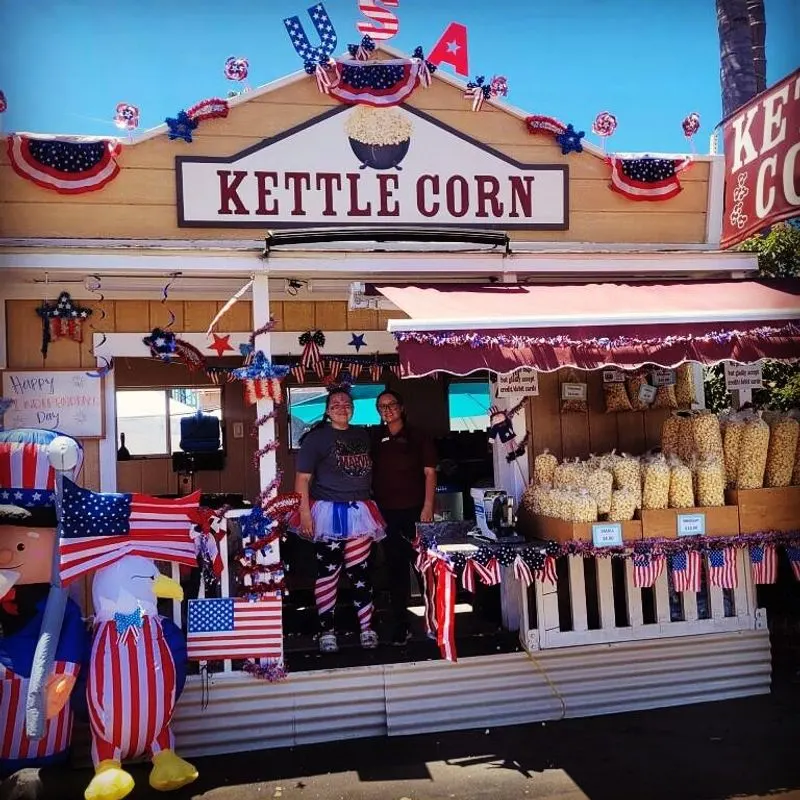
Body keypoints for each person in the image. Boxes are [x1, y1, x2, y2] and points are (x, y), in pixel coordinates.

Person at [293, 386, 386, 654]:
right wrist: (304, 513)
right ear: (327, 410)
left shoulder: (364, 435)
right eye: (336, 403)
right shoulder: (316, 439)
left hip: (360, 513)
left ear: (353, 409)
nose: (342, 407)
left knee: (360, 573)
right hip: (327, 512)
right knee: (328, 573)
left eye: (347, 403)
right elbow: (302, 479)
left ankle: (367, 628)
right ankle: (326, 630)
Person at [370, 389, 437, 645]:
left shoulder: (418, 437)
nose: (387, 410)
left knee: (423, 567)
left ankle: (433, 622)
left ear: (402, 407)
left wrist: (428, 506)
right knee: (395, 569)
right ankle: (401, 626)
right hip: (386, 513)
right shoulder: (375, 437)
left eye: (391, 405)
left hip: (416, 511)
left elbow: (430, 473)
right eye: (382, 407)